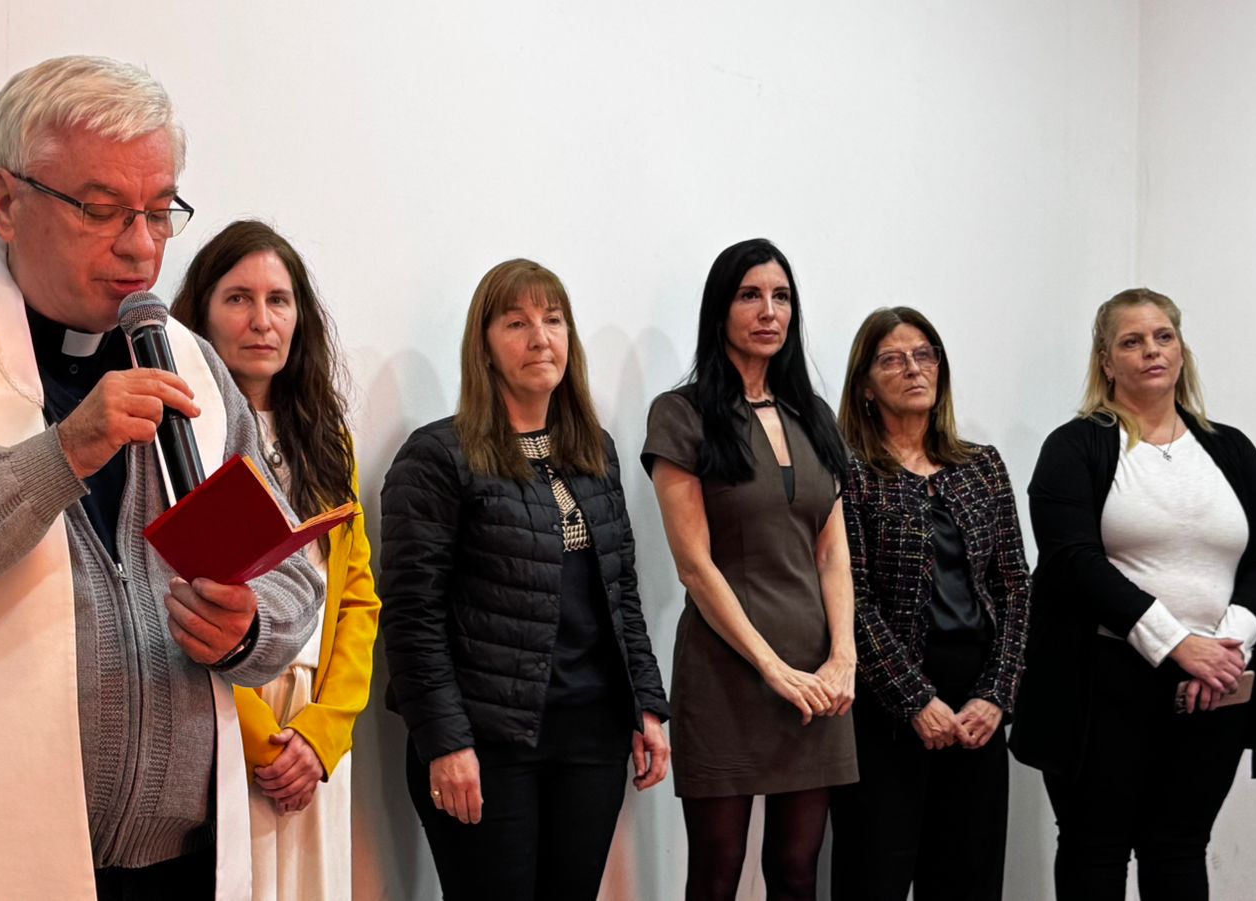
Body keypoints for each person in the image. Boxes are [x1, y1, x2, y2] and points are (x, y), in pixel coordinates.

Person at [0, 56, 324, 900]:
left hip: (172, 860)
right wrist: (58, 458)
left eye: (160, 211)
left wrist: (246, 625)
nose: (141, 246)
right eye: (101, 210)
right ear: (6, 202)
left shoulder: (190, 362)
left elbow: (290, 574)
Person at [380, 258, 671, 900]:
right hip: (488, 742)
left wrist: (647, 705)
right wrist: (445, 742)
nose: (540, 338)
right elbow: (411, 617)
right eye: (516, 323)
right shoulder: (437, 456)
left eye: (553, 319)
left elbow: (621, 590)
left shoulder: (593, 450)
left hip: (591, 736)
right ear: (483, 347)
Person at [1011, 288, 1256, 900]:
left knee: (1180, 846)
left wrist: (1225, 649)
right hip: (1102, 683)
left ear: (1182, 349)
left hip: (1214, 686)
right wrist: (1178, 645)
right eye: (1131, 342)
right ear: (1106, 361)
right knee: (1095, 849)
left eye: (1164, 337)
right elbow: (1072, 562)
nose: (1151, 351)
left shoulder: (1231, 449)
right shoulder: (1074, 446)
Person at [641, 238, 857, 901]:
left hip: (818, 675)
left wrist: (843, 657)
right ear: (720, 308)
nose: (769, 311)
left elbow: (832, 552)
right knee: (717, 870)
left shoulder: (815, 416)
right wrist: (771, 666)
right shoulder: (681, 414)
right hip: (727, 671)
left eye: (781, 296)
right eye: (750, 295)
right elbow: (694, 566)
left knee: (797, 870)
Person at [170, 219, 380, 901]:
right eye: (239, 298)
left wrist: (324, 732)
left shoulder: (327, 440)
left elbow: (356, 596)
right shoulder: (180, 438)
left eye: (279, 300)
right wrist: (266, 742)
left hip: (313, 734)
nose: (262, 320)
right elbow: (178, 598)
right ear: (202, 313)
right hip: (225, 724)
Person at [826, 307, 1031, 901]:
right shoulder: (849, 471)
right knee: (875, 875)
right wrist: (914, 700)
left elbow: (1015, 585)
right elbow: (851, 593)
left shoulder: (982, 466)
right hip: (884, 707)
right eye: (892, 359)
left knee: (969, 876)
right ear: (866, 385)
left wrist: (997, 695)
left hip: (977, 700)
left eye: (924, 355)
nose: (913, 369)